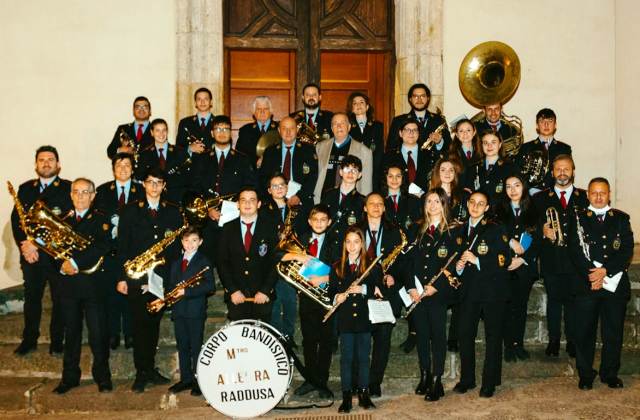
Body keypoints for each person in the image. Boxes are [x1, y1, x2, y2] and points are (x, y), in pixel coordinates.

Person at [116, 167, 183, 393]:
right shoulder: (130, 211)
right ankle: (141, 372)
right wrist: (122, 278)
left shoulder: (173, 212)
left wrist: (167, 277)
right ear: (143, 184)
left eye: (159, 182)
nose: (154, 186)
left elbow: (175, 250)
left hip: (160, 278)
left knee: (153, 325)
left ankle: (150, 369)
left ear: (164, 186)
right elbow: (122, 247)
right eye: (150, 182)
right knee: (139, 325)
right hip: (136, 277)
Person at [568, 177, 634, 390]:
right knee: (584, 333)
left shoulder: (622, 219)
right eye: (594, 193)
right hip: (586, 285)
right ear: (587, 195)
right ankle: (586, 374)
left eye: (602, 193)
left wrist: (605, 271)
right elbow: (575, 251)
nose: (598, 197)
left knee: (613, 332)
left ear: (608, 194)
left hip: (613, 286)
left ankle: (609, 373)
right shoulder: (577, 218)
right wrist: (593, 276)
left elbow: (626, 250)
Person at [11, 145, 72, 356]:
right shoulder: (26, 188)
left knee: (60, 299)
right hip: (31, 256)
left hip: (55, 256)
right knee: (32, 299)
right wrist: (24, 245)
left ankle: (57, 341)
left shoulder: (68, 188)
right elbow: (16, 220)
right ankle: (29, 339)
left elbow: (66, 222)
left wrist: (36, 242)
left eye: (50, 159)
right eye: (42, 159)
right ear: (36, 165)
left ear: (58, 164)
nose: (46, 163)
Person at [53, 178, 111, 394]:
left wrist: (75, 263)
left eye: (85, 192)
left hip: (93, 285)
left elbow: (103, 245)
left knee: (98, 334)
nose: (80, 196)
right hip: (68, 286)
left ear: (93, 196)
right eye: (76, 192)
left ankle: (103, 377)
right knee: (72, 334)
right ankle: (69, 377)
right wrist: (61, 266)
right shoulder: (62, 219)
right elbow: (52, 248)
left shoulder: (101, 220)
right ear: (70, 195)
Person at [452, 190, 511, 398]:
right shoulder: (458, 230)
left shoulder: (496, 229)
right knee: (465, 335)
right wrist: (458, 267)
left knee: (493, 338)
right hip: (468, 292)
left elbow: (504, 259)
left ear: (487, 208)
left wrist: (477, 260)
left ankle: (490, 381)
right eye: (472, 202)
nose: (475, 207)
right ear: (467, 204)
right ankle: (467, 379)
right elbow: (452, 264)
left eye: (481, 203)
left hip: (492, 291)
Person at [532, 154, 588, 358]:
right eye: (558, 169)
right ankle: (554, 340)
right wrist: (542, 231)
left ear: (573, 171)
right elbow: (530, 226)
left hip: (576, 261)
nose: (562, 173)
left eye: (566, 169)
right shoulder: (539, 198)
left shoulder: (584, 197)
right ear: (552, 172)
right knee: (554, 302)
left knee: (574, 301)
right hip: (552, 259)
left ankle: (573, 341)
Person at [283, 204, 337, 398]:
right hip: (306, 298)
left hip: (327, 298)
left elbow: (343, 271)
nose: (319, 223)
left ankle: (322, 381)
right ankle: (310, 379)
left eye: (323, 220)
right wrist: (299, 256)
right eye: (316, 220)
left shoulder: (335, 241)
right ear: (309, 221)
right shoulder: (302, 239)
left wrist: (325, 279)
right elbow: (279, 255)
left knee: (325, 340)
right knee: (308, 340)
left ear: (329, 222)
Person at [407, 188, 456, 401]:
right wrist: (411, 288)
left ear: (444, 204)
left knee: (437, 336)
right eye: (429, 201)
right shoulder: (415, 231)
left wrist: (439, 286)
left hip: (437, 294)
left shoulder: (452, 232)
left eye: (437, 201)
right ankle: (424, 374)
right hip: (417, 294)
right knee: (422, 335)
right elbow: (406, 263)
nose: (432, 205)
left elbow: (454, 264)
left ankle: (437, 379)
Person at [193, 115, 256, 277]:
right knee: (206, 265)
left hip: (234, 220)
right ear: (212, 133)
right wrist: (207, 209)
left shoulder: (242, 159)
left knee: (234, 263)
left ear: (231, 133)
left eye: (226, 129)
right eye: (218, 129)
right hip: (207, 221)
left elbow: (250, 187)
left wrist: (237, 208)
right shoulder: (201, 159)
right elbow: (194, 188)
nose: (222, 132)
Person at [357, 193, 406, 398]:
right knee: (360, 338)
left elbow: (404, 264)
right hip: (361, 290)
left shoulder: (395, 232)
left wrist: (394, 275)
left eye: (380, 204)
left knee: (383, 339)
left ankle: (374, 382)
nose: (376, 207)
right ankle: (359, 381)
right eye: (372, 204)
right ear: (365, 208)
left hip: (387, 293)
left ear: (385, 208)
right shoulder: (355, 231)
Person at [94, 153, 145, 350]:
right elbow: (97, 219)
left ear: (133, 168)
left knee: (131, 293)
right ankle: (113, 334)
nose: (123, 168)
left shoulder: (141, 190)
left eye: (127, 165)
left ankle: (131, 334)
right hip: (109, 251)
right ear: (113, 168)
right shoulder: (103, 191)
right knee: (111, 296)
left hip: (133, 252)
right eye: (119, 165)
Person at [329, 226, 380, 413]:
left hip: (365, 320)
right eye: (348, 242)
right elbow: (330, 292)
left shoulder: (371, 264)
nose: (352, 246)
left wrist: (363, 289)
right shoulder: (336, 267)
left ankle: (364, 395)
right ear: (344, 244)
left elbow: (378, 286)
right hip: (346, 321)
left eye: (356, 242)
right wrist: (337, 298)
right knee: (347, 359)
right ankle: (347, 396)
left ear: (362, 244)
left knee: (364, 358)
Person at [495, 174, 540, 362]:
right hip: (504, 266)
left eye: (517, 185)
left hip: (524, 267)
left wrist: (523, 260)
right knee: (505, 306)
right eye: (508, 186)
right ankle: (507, 346)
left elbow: (539, 241)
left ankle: (518, 344)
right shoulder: (498, 210)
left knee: (520, 307)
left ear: (524, 187)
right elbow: (494, 236)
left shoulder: (535, 210)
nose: (512, 190)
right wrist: (510, 242)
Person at [217, 187, 280, 322]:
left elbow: (275, 262)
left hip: (263, 297)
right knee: (239, 341)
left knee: (261, 340)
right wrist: (233, 290)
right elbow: (222, 263)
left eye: (252, 200)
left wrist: (265, 290)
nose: (247, 204)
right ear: (237, 205)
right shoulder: (227, 229)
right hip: (237, 297)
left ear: (258, 204)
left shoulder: (270, 228)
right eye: (243, 200)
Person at [167, 227, 215, 397]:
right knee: (182, 346)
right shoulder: (175, 262)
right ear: (182, 242)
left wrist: (186, 292)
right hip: (179, 310)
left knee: (195, 347)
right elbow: (171, 284)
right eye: (186, 240)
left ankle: (197, 381)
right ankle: (185, 379)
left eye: (194, 240)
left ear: (200, 242)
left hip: (195, 311)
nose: (190, 244)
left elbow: (210, 286)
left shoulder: (204, 261)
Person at [261, 173, 300, 343]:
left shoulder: (296, 210)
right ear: (269, 190)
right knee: (274, 302)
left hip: (290, 262)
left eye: (282, 185)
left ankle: (289, 335)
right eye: (274, 186)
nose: (278, 189)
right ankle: (275, 336)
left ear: (287, 188)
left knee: (290, 301)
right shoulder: (263, 211)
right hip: (270, 261)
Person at [260, 116, 318, 214]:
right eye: (284, 128)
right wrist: (274, 196)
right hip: (274, 202)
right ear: (279, 130)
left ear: (297, 130)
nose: (288, 132)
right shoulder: (270, 152)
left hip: (301, 202)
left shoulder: (308, 150)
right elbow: (263, 177)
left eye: (291, 128)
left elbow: (312, 177)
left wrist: (299, 196)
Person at [315, 112, 373, 200]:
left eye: (342, 123)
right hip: (323, 199)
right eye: (335, 124)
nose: (339, 126)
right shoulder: (320, 147)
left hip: (351, 202)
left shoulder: (364, 151)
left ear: (349, 127)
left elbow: (366, 185)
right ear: (331, 128)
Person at [136, 118, 192, 203]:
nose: (161, 134)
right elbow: (140, 178)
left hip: (177, 199)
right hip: (153, 199)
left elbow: (188, 177)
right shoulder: (144, 155)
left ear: (167, 132)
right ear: (152, 133)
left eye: (164, 130)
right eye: (157, 130)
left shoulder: (180, 152)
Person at [516, 108, 572, 194]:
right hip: (531, 194)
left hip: (556, 194)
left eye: (550, 121)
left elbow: (568, 173)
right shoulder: (526, 147)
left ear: (555, 125)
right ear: (537, 125)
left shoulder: (564, 149)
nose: (546, 125)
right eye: (542, 121)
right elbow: (518, 174)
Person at [386, 83, 451, 154]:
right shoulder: (399, 121)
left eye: (422, 96)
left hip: (433, 164)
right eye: (415, 96)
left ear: (428, 98)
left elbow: (450, 147)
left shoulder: (439, 120)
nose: (419, 99)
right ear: (410, 99)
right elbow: (390, 149)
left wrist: (440, 142)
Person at [463, 130, 517, 207]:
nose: (489, 146)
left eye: (493, 142)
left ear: (500, 145)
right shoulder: (473, 167)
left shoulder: (510, 167)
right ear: (481, 145)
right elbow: (468, 193)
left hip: (501, 214)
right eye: (485, 143)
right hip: (477, 213)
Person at [320, 155, 366, 245]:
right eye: (346, 169)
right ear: (340, 172)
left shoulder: (362, 201)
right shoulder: (328, 195)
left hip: (347, 247)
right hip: (326, 245)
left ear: (359, 175)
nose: (350, 173)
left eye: (354, 170)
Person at [382, 119, 432, 196]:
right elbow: (382, 182)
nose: (411, 133)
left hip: (423, 201)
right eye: (407, 129)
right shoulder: (389, 156)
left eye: (415, 130)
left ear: (419, 134)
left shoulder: (429, 155)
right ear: (400, 133)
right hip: (398, 202)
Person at [347, 92, 384, 187]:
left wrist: (373, 169)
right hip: (352, 171)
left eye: (361, 102)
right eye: (354, 103)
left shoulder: (378, 126)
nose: (358, 105)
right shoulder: (347, 126)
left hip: (373, 171)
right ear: (351, 108)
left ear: (367, 107)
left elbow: (379, 151)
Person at [236, 95, 280, 165]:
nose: (262, 112)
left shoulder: (280, 128)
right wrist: (255, 161)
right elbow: (240, 155)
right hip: (251, 172)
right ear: (254, 112)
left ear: (271, 112)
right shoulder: (245, 131)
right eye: (259, 109)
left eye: (266, 109)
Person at [176, 87, 216, 154]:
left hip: (213, 163)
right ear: (195, 103)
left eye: (206, 99)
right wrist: (190, 148)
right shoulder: (185, 123)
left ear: (211, 102)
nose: (202, 102)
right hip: (192, 163)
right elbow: (178, 148)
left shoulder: (219, 122)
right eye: (199, 99)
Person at [382, 165, 422, 232]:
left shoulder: (412, 199)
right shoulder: (379, 200)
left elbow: (417, 223)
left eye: (398, 176)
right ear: (385, 178)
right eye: (390, 176)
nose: (394, 180)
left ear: (402, 178)